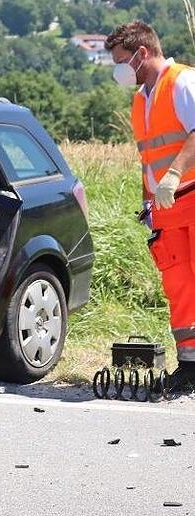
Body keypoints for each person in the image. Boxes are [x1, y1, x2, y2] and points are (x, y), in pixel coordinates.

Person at [106, 21, 195, 386]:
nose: (119, 70)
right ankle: (190, 364)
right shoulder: (141, 99)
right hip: (168, 210)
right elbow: (148, 158)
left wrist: (173, 174)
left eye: (121, 61)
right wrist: (148, 201)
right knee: (179, 286)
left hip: (191, 196)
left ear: (142, 53)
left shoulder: (183, 82)